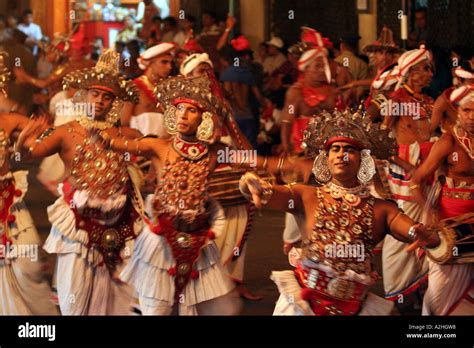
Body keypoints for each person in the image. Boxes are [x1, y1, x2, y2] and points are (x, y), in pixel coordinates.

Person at [239, 109, 443, 316]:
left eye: (349, 150)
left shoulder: (382, 209)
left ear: (363, 160)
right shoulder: (305, 196)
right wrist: (250, 186)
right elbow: (268, 192)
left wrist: (427, 237)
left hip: (355, 308)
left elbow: (411, 230)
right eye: (335, 149)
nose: (341, 154)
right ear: (326, 159)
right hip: (304, 305)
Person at [99, 75, 242, 315]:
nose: (183, 115)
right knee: (157, 308)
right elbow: (115, 144)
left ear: (204, 117)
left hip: (198, 239)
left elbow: (249, 158)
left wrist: (229, 123)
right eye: (179, 109)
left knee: (194, 309)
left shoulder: (215, 152)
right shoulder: (159, 147)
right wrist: (102, 121)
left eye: (191, 110)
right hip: (160, 239)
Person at [16, 49, 144, 315]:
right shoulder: (66, 132)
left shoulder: (124, 134)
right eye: (95, 94)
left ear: (114, 103)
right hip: (78, 224)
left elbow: (150, 155)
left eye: (107, 97)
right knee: (74, 293)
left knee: (121, 295)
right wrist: (23, 142)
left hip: (120, 222)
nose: (100, 101)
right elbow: (30, 154)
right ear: (83, 96)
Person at [410, 84, 474, 315]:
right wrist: (430, 212)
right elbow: (416, 179)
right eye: (467, 110)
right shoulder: (449, 141)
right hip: (450, 226)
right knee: (439, 290)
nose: (472, 116)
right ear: (457, 111)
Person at [381, 46, 435, 304]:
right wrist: (407, 165)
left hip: (428, 165)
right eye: (424, 69)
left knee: (428, 222)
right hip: (405, 169)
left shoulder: (429, 100)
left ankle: (419, 284)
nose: (429, 74)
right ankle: (396, 288)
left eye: (429, 69)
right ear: (411, 73)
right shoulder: (396, 100)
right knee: (404, 226)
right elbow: (381, 141)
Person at [122, 42, 175, 137]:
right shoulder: (133, 87)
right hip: (137, 147)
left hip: (162, 148)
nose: (169, 67)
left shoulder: (169, 91)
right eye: (164, 62)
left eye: (171, 63)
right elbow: (123, 124)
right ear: (150, 63)